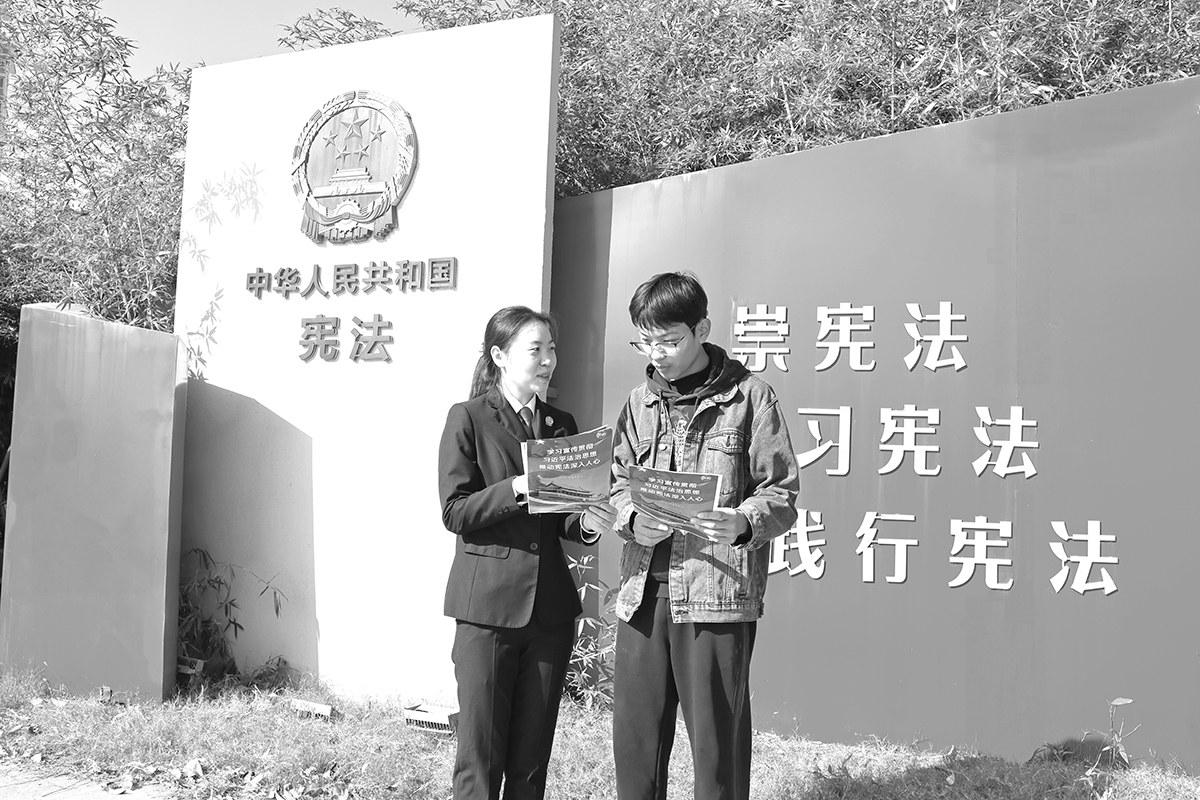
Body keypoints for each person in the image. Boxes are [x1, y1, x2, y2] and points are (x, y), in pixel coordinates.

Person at [609, 273, 800, 800]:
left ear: (703, 329)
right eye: (645, 342)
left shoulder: (750, 398)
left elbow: (781, 491)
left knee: (718, 751)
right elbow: (617, 482)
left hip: (715, 595)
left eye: (669, 341)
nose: (657, 354)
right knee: (636, 746)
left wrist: (742, 521)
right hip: (642, 594)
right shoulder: (639, 403)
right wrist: (630, 519)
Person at [438, 305, 617, 800]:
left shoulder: (561, 424)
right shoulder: (469, 418)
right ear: (500, 356)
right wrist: (517, 487)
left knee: (531, 762)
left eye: (551, 349)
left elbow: (564, 519)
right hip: (488, 611)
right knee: (480, 758)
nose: (547, 360)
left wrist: (587, 524)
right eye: (535, 349)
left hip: (550, 615)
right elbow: (455, 511)